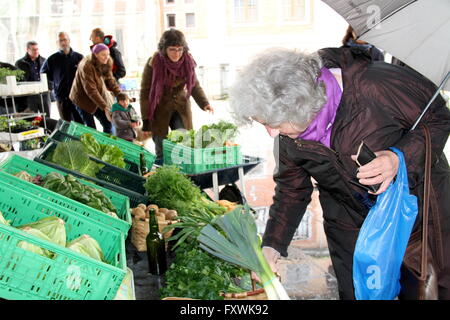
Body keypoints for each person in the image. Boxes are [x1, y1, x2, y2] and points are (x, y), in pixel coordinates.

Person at [229, 47, 450, 300]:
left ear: (302, 106)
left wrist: (398, 158)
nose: (271, 133)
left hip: (418, 215)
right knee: (358, 293)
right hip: (348, 221)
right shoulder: (288, 135)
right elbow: (292, 189)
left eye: (272, 123)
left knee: (427, 291)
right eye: (264, 123)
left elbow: (439, 118)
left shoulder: (377, 85)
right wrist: (272, 245)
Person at [140, 28, 214, 165]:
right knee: (161, 147)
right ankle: (164, 176)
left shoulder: (187, 61)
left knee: (184, 143)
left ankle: (184, 176)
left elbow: (194, 85)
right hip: (159, 108)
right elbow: (145, 92)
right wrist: (146, 120)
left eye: (180, 49)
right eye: (172, 49)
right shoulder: (154, 63)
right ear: (164, 49)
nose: (177, 54)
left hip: (181, 106)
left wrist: (205, 103)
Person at [69, 43, 121, 134]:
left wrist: (120, 94)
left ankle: (107, 145)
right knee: (91, 128)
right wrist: (105, 107)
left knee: (108, 123)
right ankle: (94, 147)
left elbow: (110, 80)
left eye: (108, 54)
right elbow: (91, 90)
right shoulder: (86, 65)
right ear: (95, 55)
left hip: (96, 96)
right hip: (82, 99)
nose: (106, 57)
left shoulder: (107, 62)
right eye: (103, 55)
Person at [41, 32, 84, 124]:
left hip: (78, 98)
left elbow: (86, 76)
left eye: (65, 39)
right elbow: (43, 74)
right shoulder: (52, 59)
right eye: (60, 40)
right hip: (62, 98)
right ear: (57, 43)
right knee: (66, 125)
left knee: (81, 124)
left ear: (69, 41)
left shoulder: (79, 57)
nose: (63, 42)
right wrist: (52, 86)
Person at [15, 41, 51, 116]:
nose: (36, 51)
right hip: (30, 96)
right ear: (27, 50)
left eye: (37, 49)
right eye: (34, 49)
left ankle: (47, 128)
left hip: (44, 94)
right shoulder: (20, 63)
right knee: (32, 118)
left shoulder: (44, 60)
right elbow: (19, 79)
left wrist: (50, 87)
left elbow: (50, 75)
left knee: (47, 117)